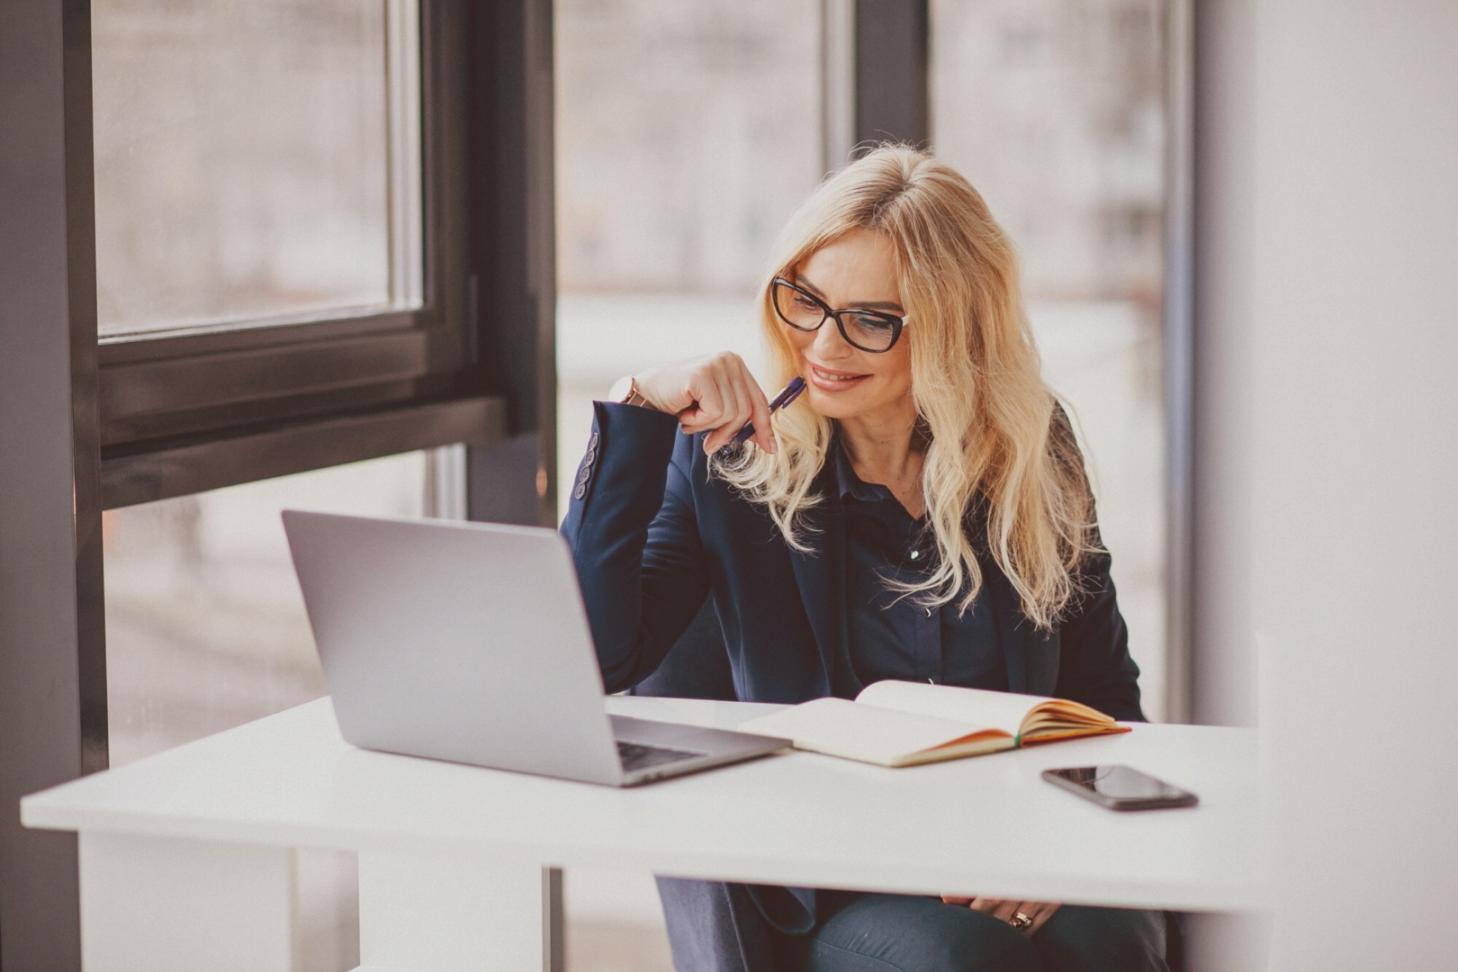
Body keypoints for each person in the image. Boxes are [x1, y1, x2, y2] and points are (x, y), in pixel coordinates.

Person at [560, 144, 1168, 972]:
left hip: (1011, 838)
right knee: (964, 962)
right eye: (806, 301)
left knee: (1118, 939)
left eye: (871, 319)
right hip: (834, 875)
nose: (823, 343)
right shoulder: (731, 461)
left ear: (956, 330)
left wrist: (1059, 847)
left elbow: (1103, 697)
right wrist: (639, 407)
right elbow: (592, 654)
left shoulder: (1032, 449)